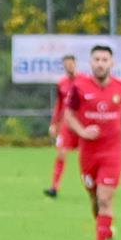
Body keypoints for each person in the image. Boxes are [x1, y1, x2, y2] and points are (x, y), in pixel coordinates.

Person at [63, 45, 121, 240]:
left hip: (112, 153)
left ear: (112, 63)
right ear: (91, 63)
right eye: (97, 59)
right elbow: (68, 114)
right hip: (88, 154)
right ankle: (106, 231)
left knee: (104, 198)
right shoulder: (79, 87)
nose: (100, 63)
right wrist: (82, 131)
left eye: (104, 59)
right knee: (94, 200)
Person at [43, 54, 78, 199]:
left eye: (70, 64)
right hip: (66, 124)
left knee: (89, 156)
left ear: (75, 64)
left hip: (82, 124)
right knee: (61, 153)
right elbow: (59, 105)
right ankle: (54, 188)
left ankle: (96, 184)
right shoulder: (62, 83)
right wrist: (54, 123)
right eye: (66, 64)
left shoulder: (84, 81)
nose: (68, 66)